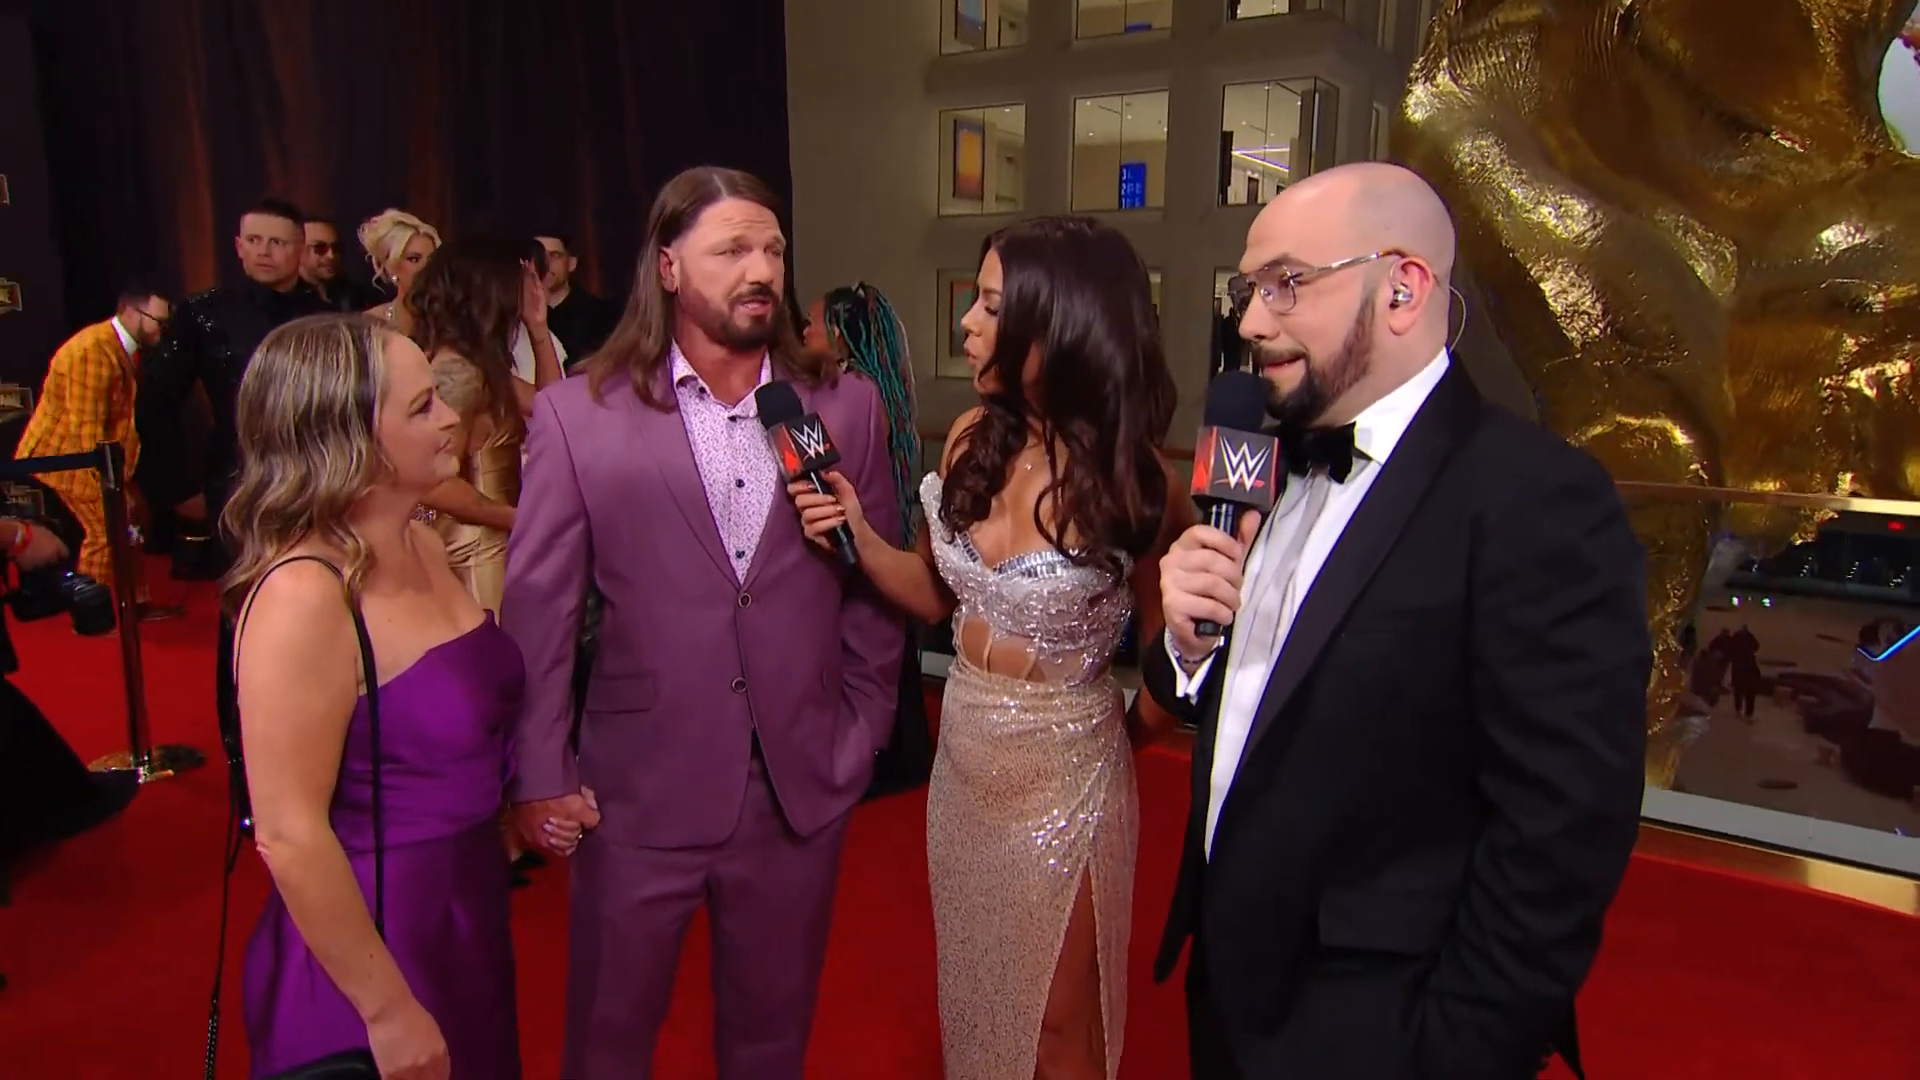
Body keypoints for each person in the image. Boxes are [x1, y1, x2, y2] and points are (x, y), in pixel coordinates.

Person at [1144, 162, 1651, 1079]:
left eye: (1286, 283)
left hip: (1380, 1031)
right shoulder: (1263, 460)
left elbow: (1561, 835)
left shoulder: (1535, 499)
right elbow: (1262, 711)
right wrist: (1187, 646)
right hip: (1225, 995)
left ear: (1403, 289)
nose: (1251, 322)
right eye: (1248, 290)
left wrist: (1452, 1053)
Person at [499, 165, 903, 1079]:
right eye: (732, 251)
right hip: (635, 791)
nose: (760, 270)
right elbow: (539, 609)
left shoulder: (845, 406)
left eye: (773, 251)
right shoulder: (578, 415)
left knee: (771, 1043)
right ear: (669, 266)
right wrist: (539, 771)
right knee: (607, 1043)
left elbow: (872, 581)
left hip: (798, 786)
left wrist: (862, 728)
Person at [786, 217, 1186, 1079]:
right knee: (982, 998)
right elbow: (938, 592)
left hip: (1069, 780)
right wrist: (857, 535)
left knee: (1057, 1025)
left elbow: (1173, 671)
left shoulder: (1138, 482)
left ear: (1064, 322)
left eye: (993, 306)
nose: (965, 322)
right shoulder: (975, 435)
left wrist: (1115, 746)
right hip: (964, 767)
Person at [226, 313, 535, 1079]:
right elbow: (288, 832)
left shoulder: (422, 542)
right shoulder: (303, 595)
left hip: (464, 912)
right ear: (348, 438)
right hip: (371, 944)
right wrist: (387, 1010)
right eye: (423, 406)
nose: (453, 418)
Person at [136, 196, 332, 830]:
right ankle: (251, 781)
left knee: (328, 620)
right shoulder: (202, 313)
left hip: (326, 485)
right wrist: (175, 489)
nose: (267, 252)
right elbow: (154, 403)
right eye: (256, 241)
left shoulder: (329, 314)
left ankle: (329, 770)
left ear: (301, 249)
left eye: (280, 242)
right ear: (239, 245)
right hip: (240, 488)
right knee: (246, 629)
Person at [799, 282, 934, 799]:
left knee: (866, 649)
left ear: (838, 334)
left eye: (811, 323)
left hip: (860, 546)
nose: (802, 332)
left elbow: (820, 473)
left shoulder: (852, 394)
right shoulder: (879, 389)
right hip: (884, 540)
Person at [409, 235, 557, 613]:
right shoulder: (457, 372)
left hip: (497, 542)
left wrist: (539, 331)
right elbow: (433, 483)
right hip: (474, 552)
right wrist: (520, 520)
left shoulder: (480, 365)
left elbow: (556, 413)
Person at [16, 283, 170, 587]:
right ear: (129, 312)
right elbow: (88, 435)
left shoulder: (123, 347)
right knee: (107, 532)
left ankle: (133, 603)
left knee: (132, 521)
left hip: (103, 460)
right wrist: (113, 489)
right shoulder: (93, 352)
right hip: (68, 460)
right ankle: (95, 607)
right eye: (157, 322)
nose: (162, 331)